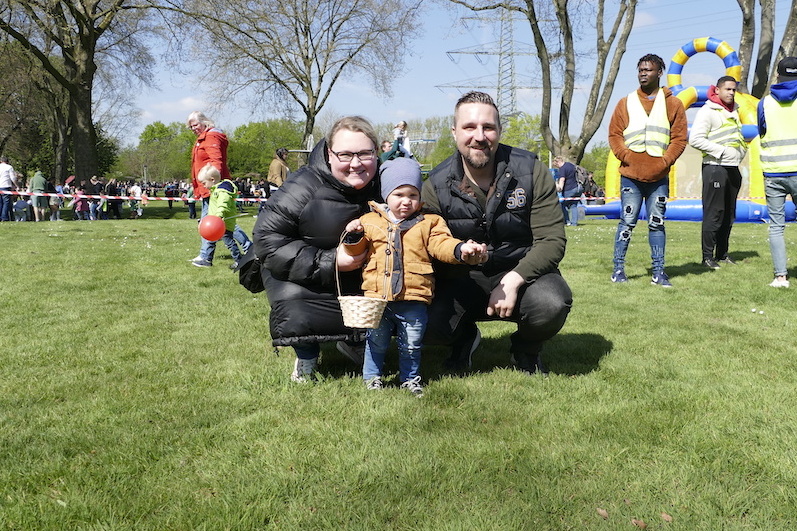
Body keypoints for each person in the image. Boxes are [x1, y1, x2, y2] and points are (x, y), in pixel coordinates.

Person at [421, 91, 573, 375]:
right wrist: (458, 252)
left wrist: (514, 280)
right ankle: (463, 338)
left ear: (499, 131)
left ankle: (526, 350)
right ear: (454, 132)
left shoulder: (531, 171)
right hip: (461, 278)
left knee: (551, 303)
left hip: (522, 272)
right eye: (469, 127)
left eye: (488, 127)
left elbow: (552, 240)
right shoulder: (435, 183)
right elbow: (429, 243)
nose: (479, 136)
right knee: (423, 320)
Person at [341, 157, 487, 396]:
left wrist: (460, 249)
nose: (406, 201)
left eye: (413, 195)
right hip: (377, 298)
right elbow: (355, 252)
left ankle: (410, 379)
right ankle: (372, 378)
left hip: (414, 297)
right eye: (399, 194)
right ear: (386, 195)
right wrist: (353, 236)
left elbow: (441, 244)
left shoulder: (429, 222)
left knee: (411, 344)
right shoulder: (369, 221)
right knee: (375, 341)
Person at [253, 116, 381, 383]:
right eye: (345, 154)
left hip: (364, 276)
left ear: (376, 153)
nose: (356, 163)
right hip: (306, 275)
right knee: (296, 308)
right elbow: (267, 239)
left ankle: (356, 342)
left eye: (365, 153)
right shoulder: (302, 186)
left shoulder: (386, 184)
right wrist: (331, 261)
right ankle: (307, 354)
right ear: (329, 154)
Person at [607, 53, 688, 287]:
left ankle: (659, 272)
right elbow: (614, 135)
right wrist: (626, 156)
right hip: (630, 176)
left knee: (657, 223)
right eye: (640, 70)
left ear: (659, 73)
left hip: (659, 177)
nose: (643, 73)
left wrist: (665, 161)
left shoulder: (673, 103)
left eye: (648, 70)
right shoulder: (625, 102)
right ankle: (618, 269)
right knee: (627, 222)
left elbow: (680, 138)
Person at [689, 75, 748, 270]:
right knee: (714, 213)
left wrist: (738, 154)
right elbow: (695, 139)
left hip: (733, 168)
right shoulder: (708, 111)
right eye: (728, 89)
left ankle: (722, 254)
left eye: (734, 89)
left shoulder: (734, 110)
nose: (731, 93)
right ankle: (707, 258)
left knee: (729, 214)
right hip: (715, 168)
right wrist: (722, 152)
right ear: (718, 90)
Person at [758, 56, 797, 288]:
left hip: (773, 173)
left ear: (778, 76)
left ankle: (780, 277)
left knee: (776, 226)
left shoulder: (764, 103)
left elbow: (762, 130)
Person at [187, 111, 230, 268]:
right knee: (215, 221)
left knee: (213, 222)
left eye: (196, 125)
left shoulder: (211, 137)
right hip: (207, 186)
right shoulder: (203, 138)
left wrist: (214, 184)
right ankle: (205, 255)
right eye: (191, 127)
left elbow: (215, 160)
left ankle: (206, 257)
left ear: (204, 122)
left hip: (212, 186)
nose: (193, 128)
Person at [196, 164, 252, 269]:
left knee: (229, 243)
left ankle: (239, 260)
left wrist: (217, 217)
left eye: (204, 183)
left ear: (212, 179)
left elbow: (223, 205)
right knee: (213, 241)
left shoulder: (222, 191)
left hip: (222, 223)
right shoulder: (216, 190)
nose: (203, 186)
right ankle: (207, 259)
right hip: (216, 224)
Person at [553, 155, 581, 226]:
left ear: (558, 162)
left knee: (563, 204)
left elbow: (562, 179)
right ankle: (574, 223)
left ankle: (567, 221)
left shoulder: (562, 168)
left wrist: (559, 189)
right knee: (574, 206)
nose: (557, 167)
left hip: (568, 189)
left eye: (556, 165)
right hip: (576, 188)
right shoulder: (570, 165)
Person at [0, 155, 18, 222]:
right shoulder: (9, 167)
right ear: (7, 161)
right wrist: (17, 186)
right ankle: (4, 217)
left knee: (0, 203)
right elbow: (12, 178)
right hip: (5, 186)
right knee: (6, 203)